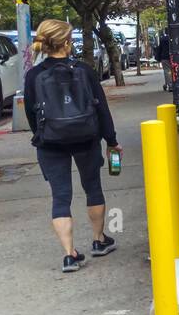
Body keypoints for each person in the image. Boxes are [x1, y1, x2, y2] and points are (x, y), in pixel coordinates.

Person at [23, 19, 122, 272]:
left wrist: (43, 136)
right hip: (86, 138)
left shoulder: (34, 75)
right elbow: (102, 110)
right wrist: (111, 141)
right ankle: (99, 241)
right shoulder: (85, 70)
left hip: (50, 143)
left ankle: (69, 254)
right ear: (67, 42)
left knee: (61, 197)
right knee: (92, 187)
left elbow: (33, 115)